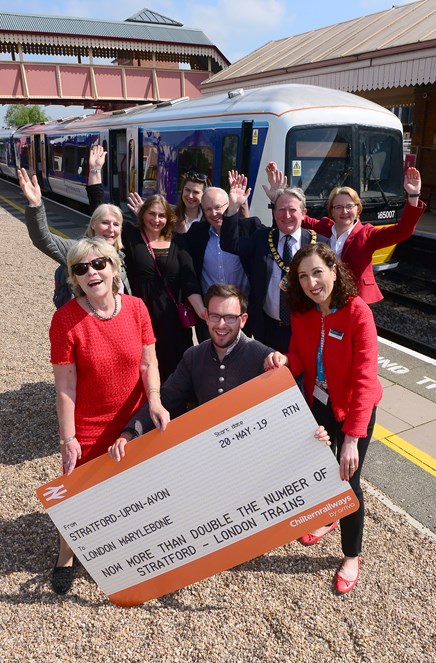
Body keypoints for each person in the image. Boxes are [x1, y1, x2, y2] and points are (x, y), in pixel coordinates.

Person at [49, 237, 169, 594]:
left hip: (132, 420)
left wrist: (156, 402)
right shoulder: (65, 320)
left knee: (137, 489)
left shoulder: (136, 308)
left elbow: (149, 363)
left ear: (114, 267)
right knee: (77, 493)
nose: (92, 273)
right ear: (74, 278)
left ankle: (133, 549)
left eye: (99, 264)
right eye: (81, 268)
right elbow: (65, 387)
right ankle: (65, 555)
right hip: (87, 425)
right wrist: (68, 439)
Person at [265, 243, 383, 593]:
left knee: (348, 479)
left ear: (334, 270)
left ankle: (351, 554)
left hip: (352, 409)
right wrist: (285, 362)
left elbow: (365, 379)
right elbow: (300, 358)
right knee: (320, 473)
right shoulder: (303, 312)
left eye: (317, 272)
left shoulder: (358, 312)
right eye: (303, 276)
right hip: (317, 404)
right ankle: (329, 517)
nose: (312, 282)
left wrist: (352, 439)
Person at [107, 283, 329, 459]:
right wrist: (130, 433)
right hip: (212, 454)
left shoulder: (264, 357)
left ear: (243, 320)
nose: (221, 324)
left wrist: (313, 433)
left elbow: (291, 413)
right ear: (206, 316)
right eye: (215, 316)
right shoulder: (194, 356)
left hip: (257, 456)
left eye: (230, 318)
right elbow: (165, 399)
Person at [264, 162, 426, 303]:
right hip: (324, 298)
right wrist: (278, 194)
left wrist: (413, 196)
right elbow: (294, 216)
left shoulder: (367, 234)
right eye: (338, 207)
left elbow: (402, 231)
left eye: (349, 206)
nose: (344, 211)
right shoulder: (324, 227)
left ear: (358, 209)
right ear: (332, 211)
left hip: (355, 299)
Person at [220, 183, 328, 352]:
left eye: (292, 210)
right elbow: (230, 245)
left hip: (307, 326)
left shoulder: (320, 242)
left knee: (303, 375)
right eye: (281, 210)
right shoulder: (262, 238)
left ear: (303, 213)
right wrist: (233, 207)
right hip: (267, 327)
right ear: (274, 213)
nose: (287, 215)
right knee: (271, 375)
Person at [122, 194, 206, 382]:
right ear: (142, 214)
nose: (156, 219)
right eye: (151, 214)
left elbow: (189, 279)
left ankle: (178, 404)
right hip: (143, 316)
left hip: (173, 318)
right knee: (146, 362)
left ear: (168, 218)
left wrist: (201, 311)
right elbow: (102, 225)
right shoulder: (131, 236)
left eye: (161, 215)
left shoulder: (178, 241)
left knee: (177, 364)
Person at [17, 167, 131, 303]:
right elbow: (43, 239)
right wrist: (36, 205)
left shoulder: (119, 254)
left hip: (116, 318)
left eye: (116, 224)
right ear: (93, 224)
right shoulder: (78, 250)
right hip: (85, 319)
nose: (111, 229)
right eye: (105, 223)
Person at [183, 182, 259, 341]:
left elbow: (274, 235)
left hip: (242, 310)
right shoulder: (197, 232)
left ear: (229, 205)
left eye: (218, 207)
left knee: (241, 361)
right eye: (208, 209)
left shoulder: (249, 228)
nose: (214, 213)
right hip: (209, 313)